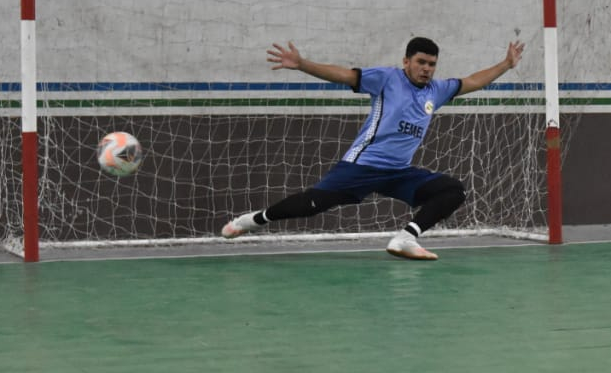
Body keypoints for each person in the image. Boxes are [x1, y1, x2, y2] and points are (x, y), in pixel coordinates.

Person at [222, 36, 525, 260]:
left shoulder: (438, 90)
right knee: (311, 205)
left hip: (398, 173)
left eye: (432, 64)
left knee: (453, 190)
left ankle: (406, 238)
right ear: (406, 61)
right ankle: (253, 220)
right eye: (421, 62)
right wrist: (302, 65)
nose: (426, 69)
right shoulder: (386, 79)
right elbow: (344, 75)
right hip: (362, 166)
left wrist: (506, 65)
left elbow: (472, 80)